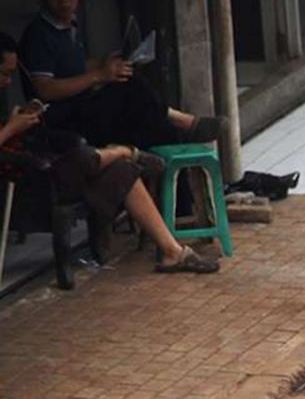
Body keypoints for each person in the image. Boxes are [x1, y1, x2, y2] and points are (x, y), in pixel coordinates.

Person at [0, 32, 218, 274]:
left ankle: (173, 253)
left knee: (122, 169)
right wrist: (11, 128)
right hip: (29, 177)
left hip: (45, 162)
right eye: (4, 74)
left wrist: (19, 122)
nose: (9, 82)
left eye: (10, 74)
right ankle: (125, 150)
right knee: (85, 156)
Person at [18, 0, 224, 150]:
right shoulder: (38, 35)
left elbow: (74, 67)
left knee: (155, 127)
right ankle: (185, 122)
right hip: (62, 119)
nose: (63, 0)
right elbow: (45, 89)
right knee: (131, 89)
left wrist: (105, 63)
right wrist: (100, 76)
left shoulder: (70, 26)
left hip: (83, 108)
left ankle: (182, 150)